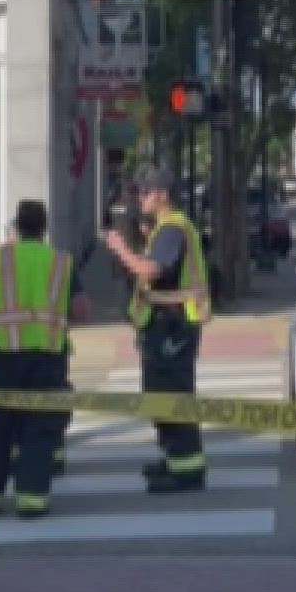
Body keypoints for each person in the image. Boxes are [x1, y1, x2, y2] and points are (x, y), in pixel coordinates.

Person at [0, 200, 90, 518]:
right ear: (44, 227)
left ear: (17, 226)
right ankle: (31, 498)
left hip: (5, 355)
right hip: (48, 356)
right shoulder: (61, 262)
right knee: (40, 427)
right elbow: (81, 310)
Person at [105, 168, 211, 494]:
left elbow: (152, 269)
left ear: (162, 195)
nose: (140, 198)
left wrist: (122, 250)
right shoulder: (164, 229)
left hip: (172, 327)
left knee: (173, 397)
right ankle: (174, 458)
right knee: (161, 396)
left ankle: (187, 470)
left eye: (145, 192)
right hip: (165, 325)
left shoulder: (173, 230)